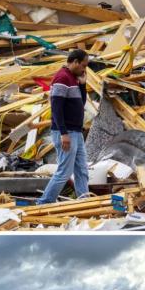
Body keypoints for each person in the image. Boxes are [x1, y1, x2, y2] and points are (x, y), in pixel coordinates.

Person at [36, 48, 91, 204]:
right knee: (64, 172)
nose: (84, 69)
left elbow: (82, 103)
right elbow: (56, 109)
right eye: (83, 66)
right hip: (67, 132)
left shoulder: (73, 78)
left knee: (82, 170)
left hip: (76, 132)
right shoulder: (62, 78)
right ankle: (44, 202)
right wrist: (63, 133)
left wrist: (83, 85)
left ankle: (84, 202)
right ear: (75, 62)